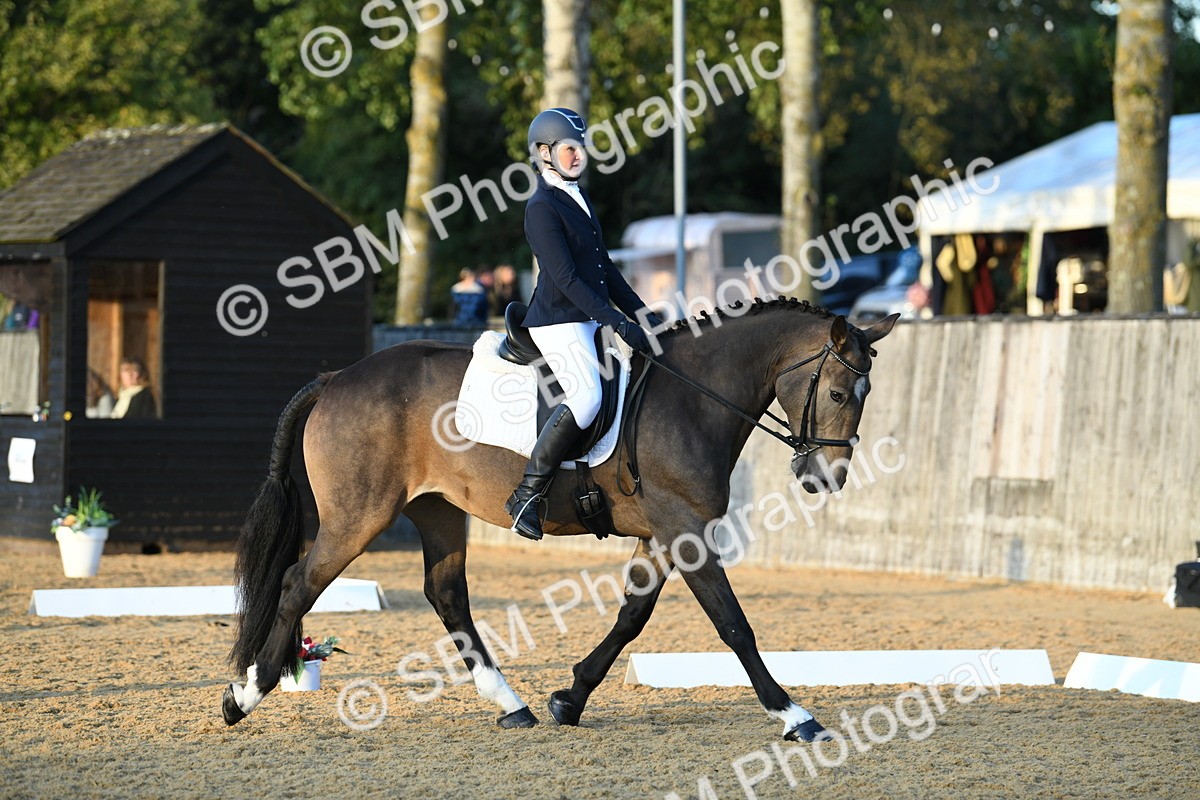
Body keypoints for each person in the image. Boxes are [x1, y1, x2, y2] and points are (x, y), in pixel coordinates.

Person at [504, 107, 661, 542]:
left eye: (581, 148)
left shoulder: (579, 196)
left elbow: (603, 267)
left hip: (587, 317)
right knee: (588, 396)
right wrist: (617, 323)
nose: (578, 156)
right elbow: (567, 279)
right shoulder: (541, 208)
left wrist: (642, 314)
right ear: (544, 153)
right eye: (569, 149)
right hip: (558, 321)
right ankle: (527, 495)